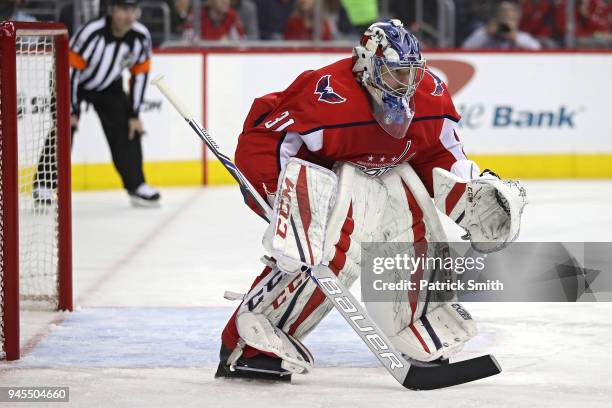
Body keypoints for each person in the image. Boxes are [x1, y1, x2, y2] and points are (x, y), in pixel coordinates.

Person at [215, 19, 527, 381]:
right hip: (327, 185)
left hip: (394, 176)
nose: (406, 84)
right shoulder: (326, 94)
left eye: (411, 72)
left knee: (416, 240)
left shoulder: (431, 95)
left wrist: (473, 189)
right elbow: (267, 140)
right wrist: (280, 199)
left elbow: (441, 153)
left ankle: (415, 324)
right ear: (366, 65)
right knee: (327, 253)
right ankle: (252, 342)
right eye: (394, 72)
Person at [34, 0, 161, 207]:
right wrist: (71, 109)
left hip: (108, 85)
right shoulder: (91, 33)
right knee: (64, 127)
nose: (129, 16)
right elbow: (70, 72)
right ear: (112, 10)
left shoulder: (140, 36)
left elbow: (140, 74)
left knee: (127, 128)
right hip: (70, 82)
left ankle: (137, 185)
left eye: (132, 10)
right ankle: (45, 183)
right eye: (123, 10)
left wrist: (134, 114)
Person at [462, 1, 542, 50]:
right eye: (502, 18)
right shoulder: (485, 33)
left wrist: (515, 38)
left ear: (517, 21)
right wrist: (485, 34)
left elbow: (536, 48)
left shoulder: (520, 37)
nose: (505, 22)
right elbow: (466, 47)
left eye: (509, 19)